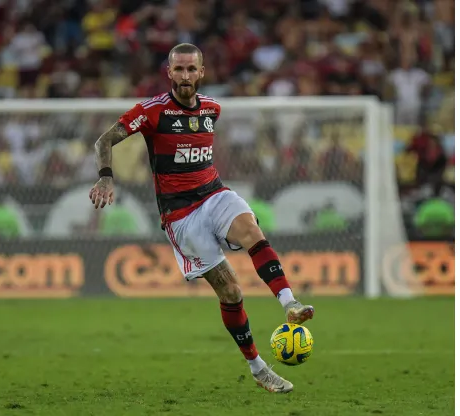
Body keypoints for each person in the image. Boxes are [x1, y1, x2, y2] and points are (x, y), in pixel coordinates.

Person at [88, 43, 314, 393]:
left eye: (191, 69)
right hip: (180, 215)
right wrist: (106, 175)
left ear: (202, 72)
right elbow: (105, 140)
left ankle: (290, 303)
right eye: (178, 69)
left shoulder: (212, 109)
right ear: (169, 73)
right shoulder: (152, 111)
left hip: (214, 193)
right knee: (231, 292)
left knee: (251, 228)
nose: (185, 76)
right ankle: (258, 368)